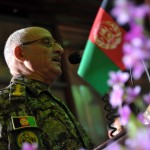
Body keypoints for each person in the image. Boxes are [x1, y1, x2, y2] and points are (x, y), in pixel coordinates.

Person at [0, 26, 95, 150]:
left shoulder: (53, 101)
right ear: (20, 53)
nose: (60, 50)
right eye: (47, 42)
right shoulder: (5, 102)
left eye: (58, 44)